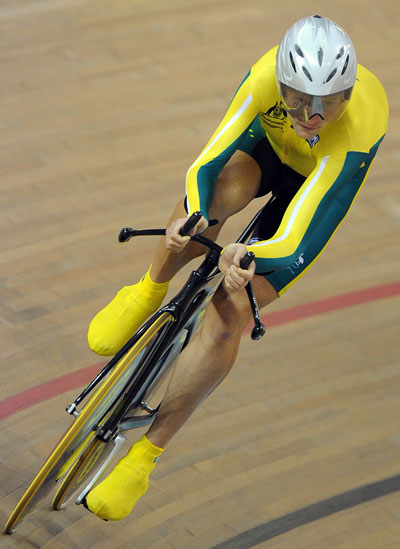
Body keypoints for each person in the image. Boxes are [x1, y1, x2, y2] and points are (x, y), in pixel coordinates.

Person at [84, 15, 388, 520]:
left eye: (327, 102)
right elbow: (207, 160)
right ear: (283, 84)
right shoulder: (265, 75)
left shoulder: (357, 125)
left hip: (316, 191)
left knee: (229, 310)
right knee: (212, 199)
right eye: (297, 100)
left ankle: (144, 456)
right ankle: (146, 290)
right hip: (271, 155)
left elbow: (297, 236)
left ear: (347, 95)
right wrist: (198, 215)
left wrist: (250, 256)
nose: (310, 115)